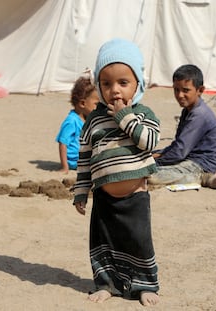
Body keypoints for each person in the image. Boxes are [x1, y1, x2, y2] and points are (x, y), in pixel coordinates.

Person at [73, 38, 160, 306]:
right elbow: (85, 158)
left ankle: (144, 285)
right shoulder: (93, 121)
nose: (115, 91)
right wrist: (81, 192)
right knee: (103, 244)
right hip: (104, 198)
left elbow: (150, 141)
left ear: (138, 85)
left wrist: (125, 118)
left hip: (135, 196)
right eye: (107, 84)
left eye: (123, 83)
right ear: (98, 86)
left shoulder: (142, 114)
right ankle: (107, 284)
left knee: (138, 242)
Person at [148, 64, 216, 191]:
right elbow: (177, 146)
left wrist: (154, 161)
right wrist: (154, 155)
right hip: (188, 159)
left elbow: (179, 152)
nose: (179, 95)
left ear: (200, 90)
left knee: (147, 175)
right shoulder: (188, 110)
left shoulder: (199, 114)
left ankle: (204, 178)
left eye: (185, 90)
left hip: (199, 166)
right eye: (176, 90)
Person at [55, 76, 98, 173]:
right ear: (83, 103)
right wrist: (65, 167)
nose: (98, 108)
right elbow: (63, 143)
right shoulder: (71, 121)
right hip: (75, 161)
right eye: (96, 104)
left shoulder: (88, 119)